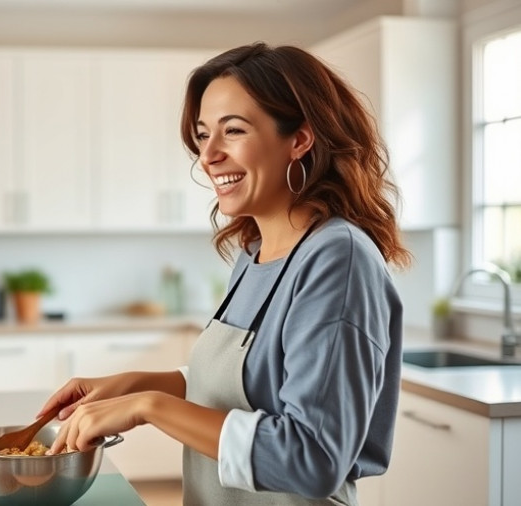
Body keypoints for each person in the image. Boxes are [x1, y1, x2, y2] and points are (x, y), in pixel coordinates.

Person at [40, 42, 411, 505]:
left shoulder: (338, 259)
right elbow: (252, 386)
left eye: (232, 130)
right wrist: (133, 384)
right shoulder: (256, 250)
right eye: (202, 135)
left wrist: (147, 407)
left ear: (299, 138)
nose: (207, 155)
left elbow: (313, 458)